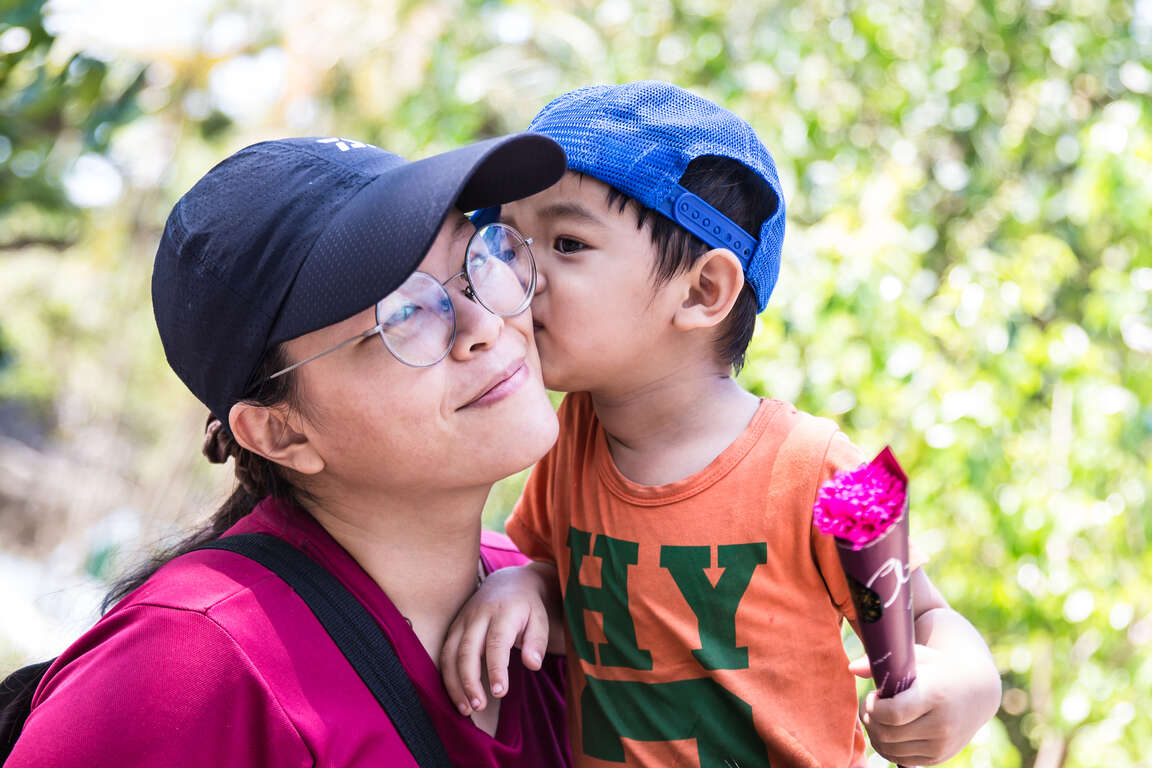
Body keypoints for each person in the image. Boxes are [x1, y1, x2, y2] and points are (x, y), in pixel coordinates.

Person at [441, 82, 1003, 767]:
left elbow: (926, 618)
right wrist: (524, 585)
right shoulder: (572, 438)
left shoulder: (829, 465)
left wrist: (969, 689)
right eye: (513, 241)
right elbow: (600, 609)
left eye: (566, 242)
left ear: (704, 291)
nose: (522, 273)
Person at [7, 133, 574, 766]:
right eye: (403, 314)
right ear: (282, 432)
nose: (485, 325)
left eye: (476, 260)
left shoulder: (555, 594)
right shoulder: (188, 663)